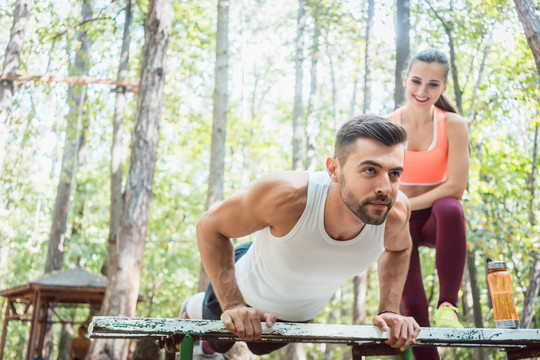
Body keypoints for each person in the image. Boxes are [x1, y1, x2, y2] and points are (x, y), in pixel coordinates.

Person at [181, 115, 420, 357]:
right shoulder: (288, 195)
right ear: (334, 170)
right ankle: (193, 309)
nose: (385, 188)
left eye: (394, 174)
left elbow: (399, 248)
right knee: (217, 342)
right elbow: (209, 226)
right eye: (370, 170)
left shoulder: (396, 212)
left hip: (297, 316)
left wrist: (388, 309)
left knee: (260, 347)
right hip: (243, 285)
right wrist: (233, 304)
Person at [390, 49, 470, 360]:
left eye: (433, 84)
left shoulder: (453, 124)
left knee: (450, 206)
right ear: (405, 80)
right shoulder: (388, 125)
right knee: (413, 312)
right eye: (417, 81)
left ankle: (448, 306)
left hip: (437, 220)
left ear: (444, 87)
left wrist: (408, 202)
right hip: (400, 220)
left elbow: (456, 187)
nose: (423, 91)